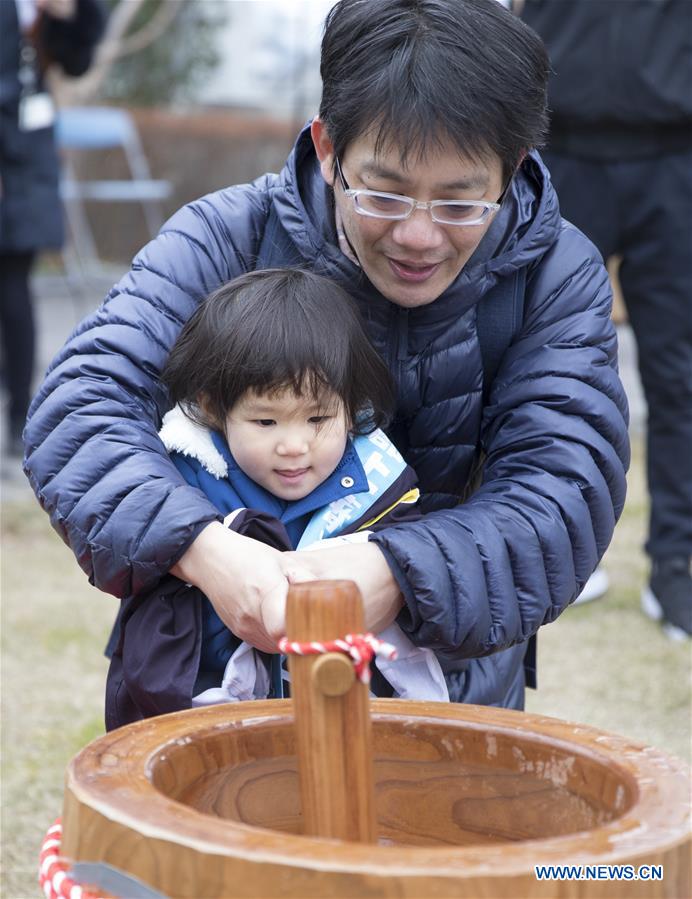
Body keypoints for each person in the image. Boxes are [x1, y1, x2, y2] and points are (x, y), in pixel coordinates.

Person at [24, 0, 630, 713]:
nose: (418, 236)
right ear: (325, 147)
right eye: (385, 192)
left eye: (461, 203)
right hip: (213, 684)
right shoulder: (228, 238)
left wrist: (395, 569)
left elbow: (563, 490)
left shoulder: (555, 273)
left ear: (514, 169)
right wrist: (205, 548)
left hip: (450, 693)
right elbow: (79, 406)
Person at [106, 267, 451, 727]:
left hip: (345, 718)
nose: (294, 445)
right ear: (213, 409)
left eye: (317, 418)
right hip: (209, 719)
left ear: (352, 409)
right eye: (266, 422)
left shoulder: (383, 486)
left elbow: (420, 588)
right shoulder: (181, 485)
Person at [519, 0, 692, 640]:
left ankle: (674, 564)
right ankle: (547, 545)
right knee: (535, 359)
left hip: (676, 155)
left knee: (679, 374)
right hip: (560, 146)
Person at [0, 0, 106, 456]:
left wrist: (68, 13)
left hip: (26, 157)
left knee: (14, 284)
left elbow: (77, 62)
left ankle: (18, 420)